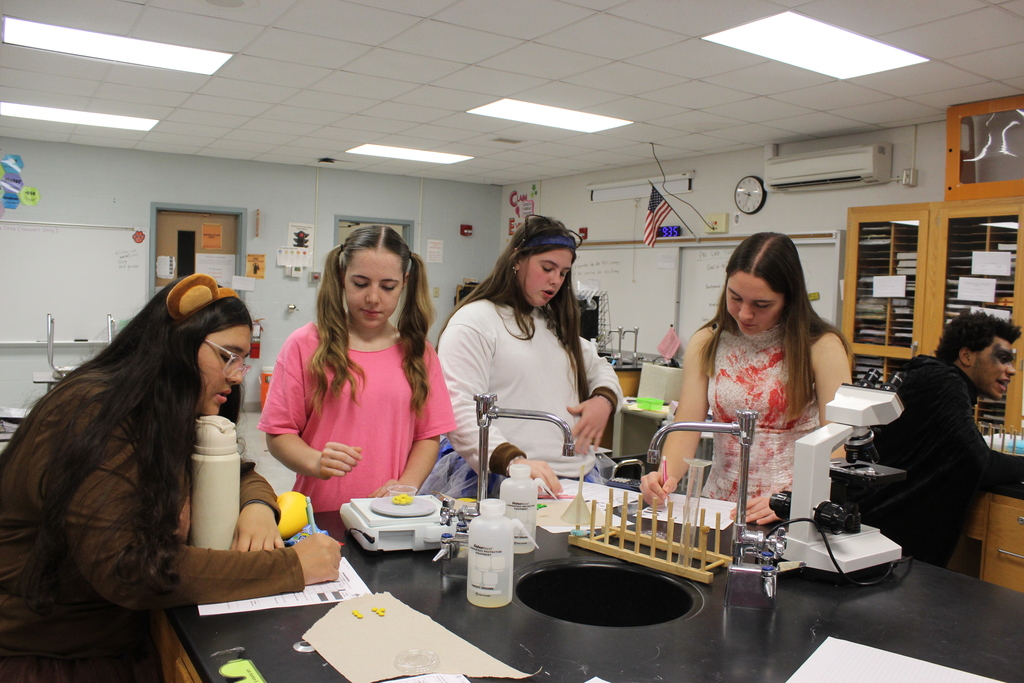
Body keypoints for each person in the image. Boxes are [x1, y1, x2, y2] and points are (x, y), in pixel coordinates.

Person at [0, 273, 340, 681]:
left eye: (242, 360)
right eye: (226, 356)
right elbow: (131, 568)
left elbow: (241, 471)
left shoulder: (167, 407)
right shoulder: (96, 413)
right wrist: (291, 567)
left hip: (120, 636)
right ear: (177, 345)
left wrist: (256, 507)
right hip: (54, 656)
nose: (236, 377)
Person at [641, 232, 852, 524]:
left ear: (789, 298)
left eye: (762, 304)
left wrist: (795, 498)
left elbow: (839, 443)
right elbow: (686, 427)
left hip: (789, 511)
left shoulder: (822, 346)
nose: (745, 313)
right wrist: (663, 477)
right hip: (718, 505)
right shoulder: (708, 341)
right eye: (735, 297)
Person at [259, 225, 455, 512]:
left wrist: (406, 485)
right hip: (323, 515)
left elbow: (427, 436)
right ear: (342, 278)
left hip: (392, 514)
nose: (373, 298)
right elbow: (279, 433)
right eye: (360, 284)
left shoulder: (418, 352)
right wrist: (314, 461)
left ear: (404, 282)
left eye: (387, 286)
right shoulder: (305, 345)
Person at [426, 214, 622, 497]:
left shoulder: (554, 324)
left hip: (570, 479)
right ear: (517, 259)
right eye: (547, 268)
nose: (555, 281)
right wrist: (515, 463)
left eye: (564, 273)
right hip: (503, 477)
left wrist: (603, 400)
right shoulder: (476, 321)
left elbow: (599, 367)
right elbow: (460, 409)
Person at [852, 311, 1024, 567]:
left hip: (879, 538)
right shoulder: (943, 382)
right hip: (880, 546)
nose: (1010, 370)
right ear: (966, 355)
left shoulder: (936, 379)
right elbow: (979, 462)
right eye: (1002, 358)